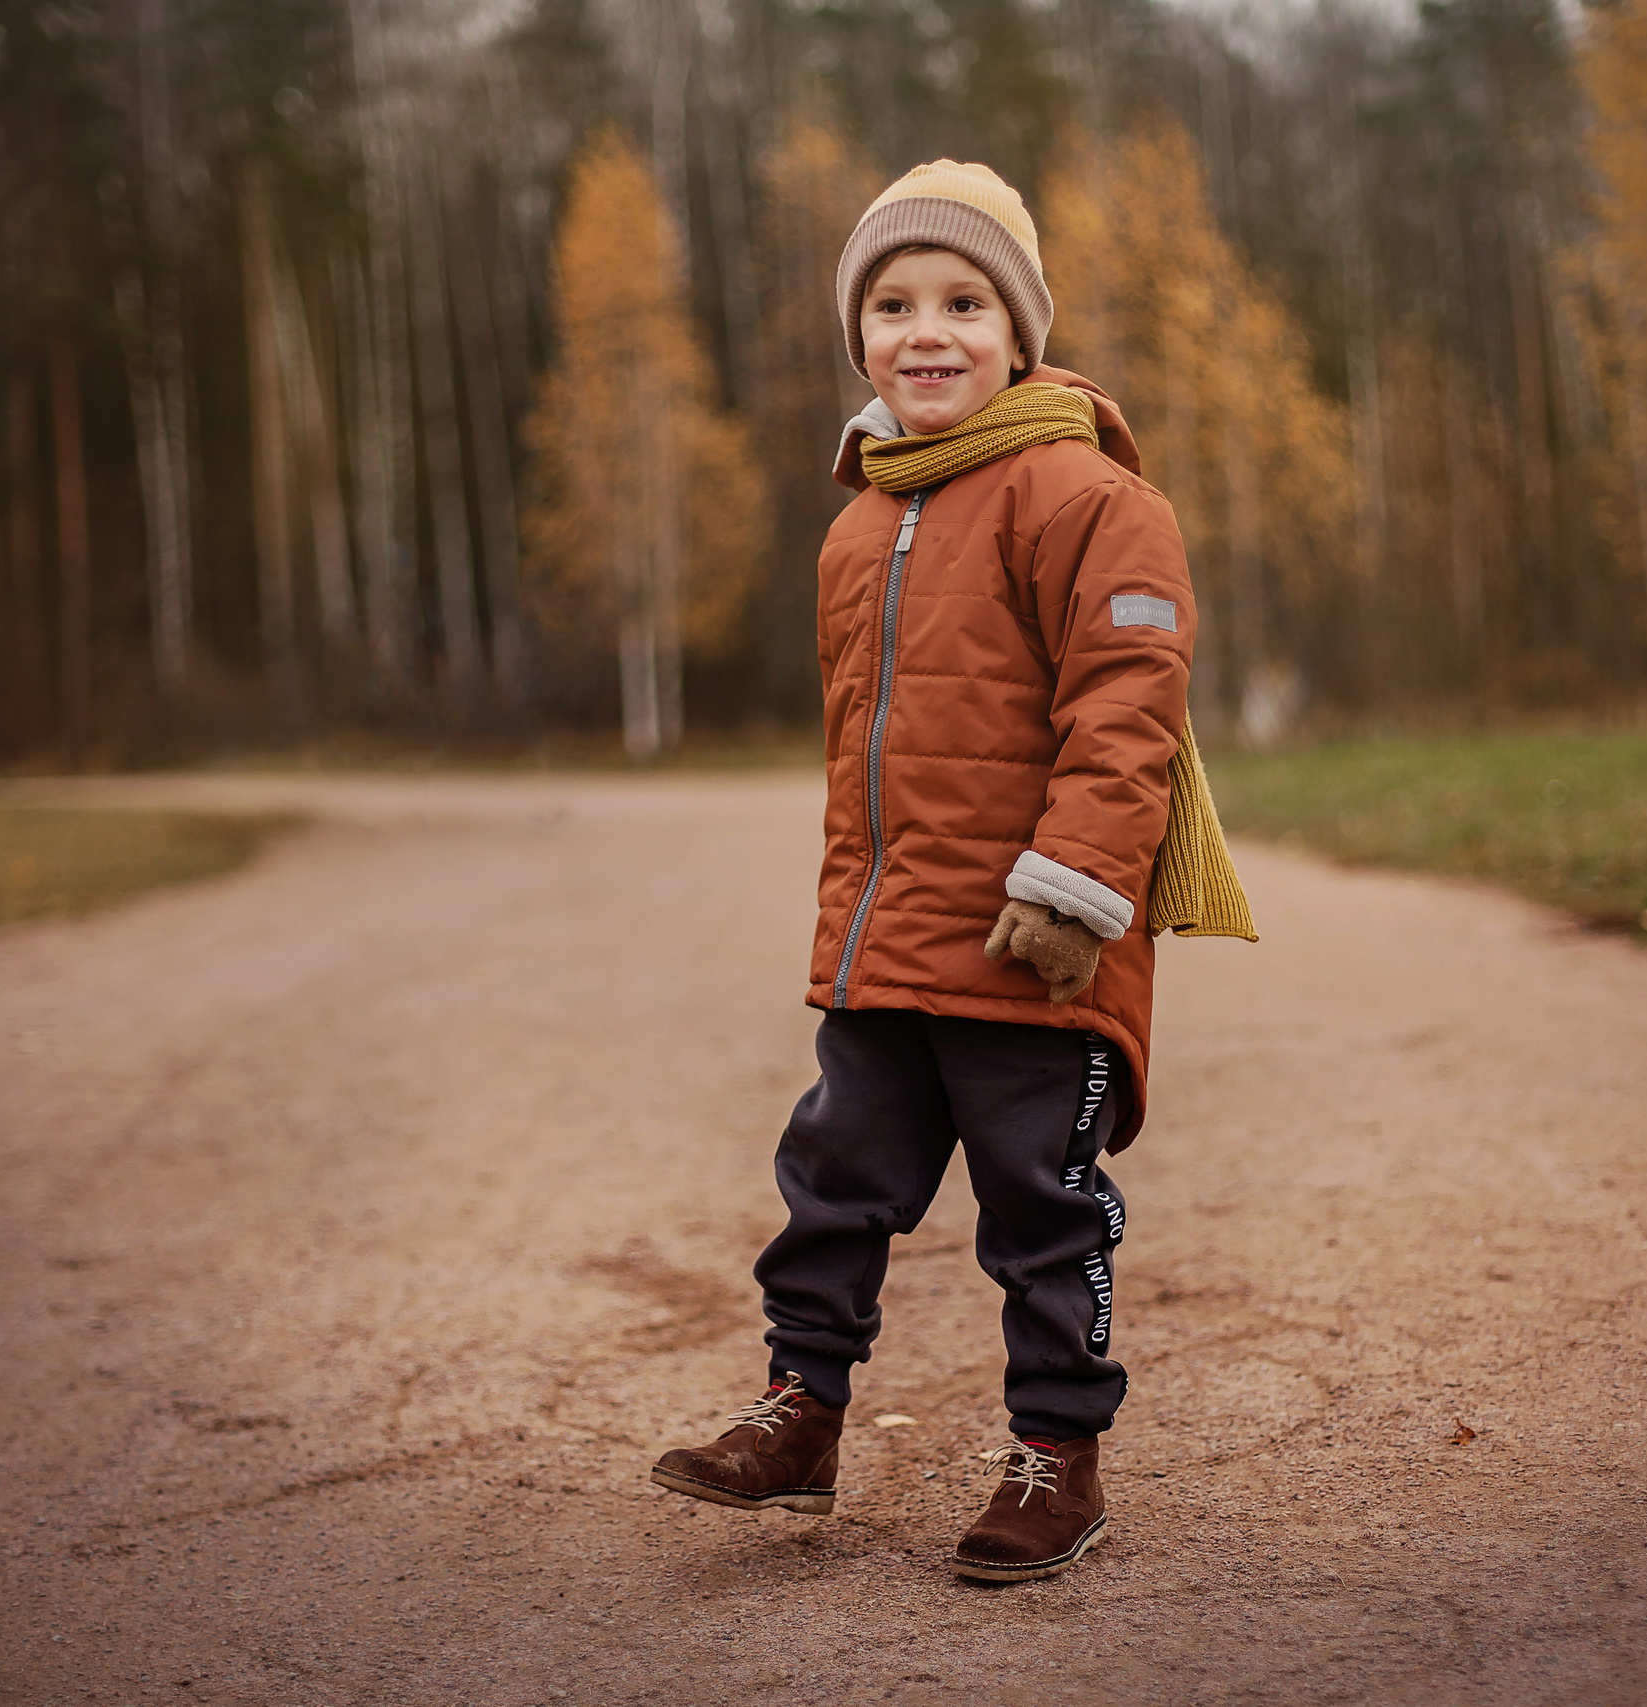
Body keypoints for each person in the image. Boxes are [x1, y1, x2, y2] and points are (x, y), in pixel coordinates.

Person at [649, 159, 1206, 1583]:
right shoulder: (858, 526)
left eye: (963, 300)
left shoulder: (1088, 498)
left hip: (1036, 943)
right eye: (892, 305)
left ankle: (1056, 1457)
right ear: (860, 339)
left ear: (1020, 331)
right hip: (888, 947)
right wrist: (847, 926)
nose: (926, 330)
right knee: (830, 1184)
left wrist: (1076, 887)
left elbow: (1128, 704)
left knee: (1041, 1212)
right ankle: (801, 1412)